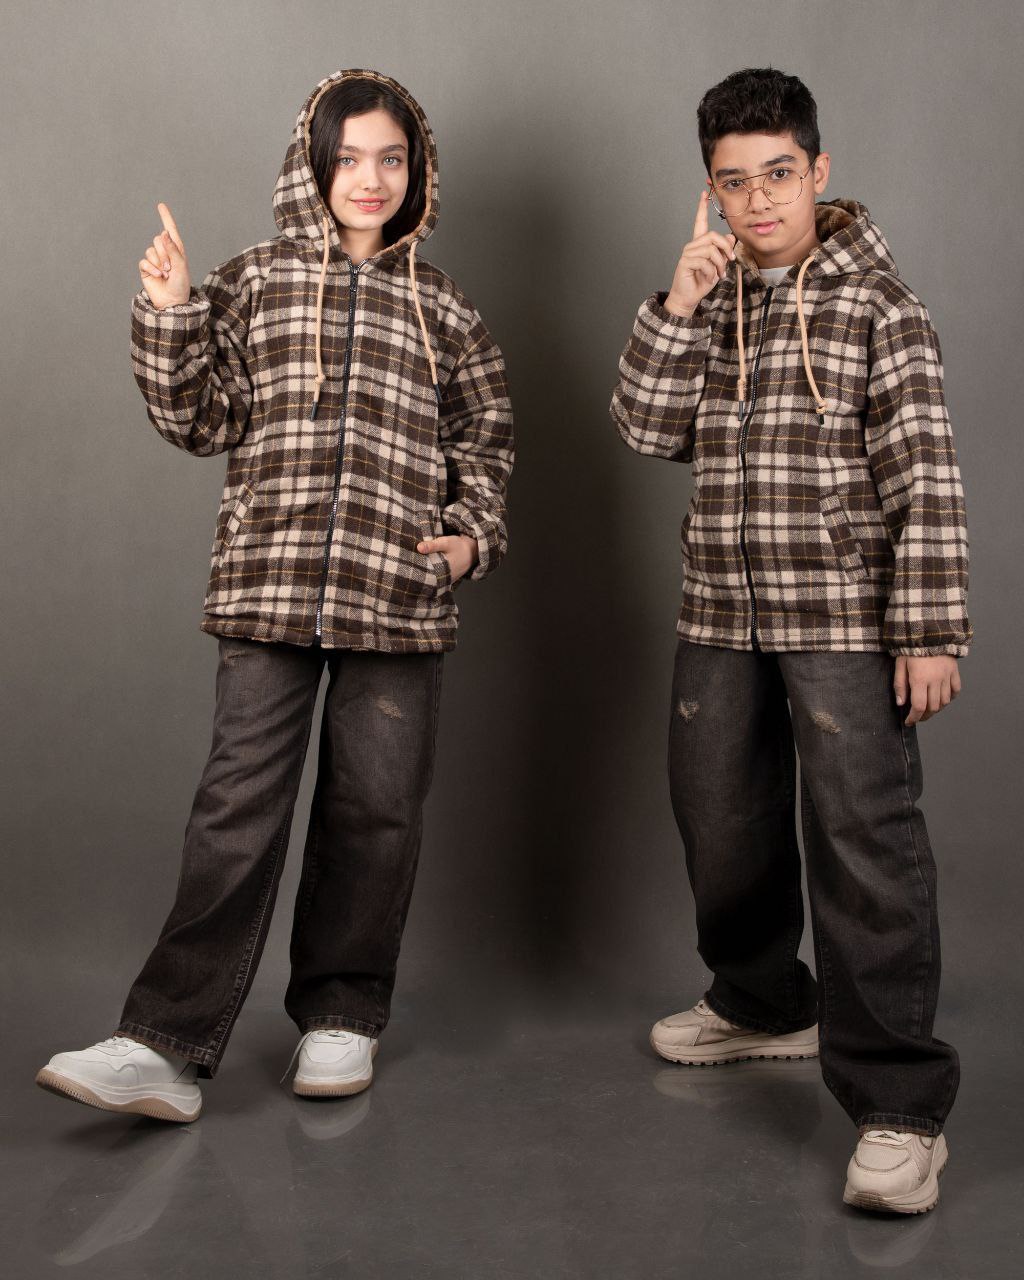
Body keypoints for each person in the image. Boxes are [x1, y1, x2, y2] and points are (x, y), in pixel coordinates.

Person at [36, 68, 513, 1123]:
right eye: (349, 157)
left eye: (392, 158)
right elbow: (197, 419)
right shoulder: (252, 281)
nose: (370, 178)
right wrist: (171, 313)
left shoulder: (445, 309)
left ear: (418, 170)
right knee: (235, 809)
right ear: (313, 163)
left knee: (375, 809)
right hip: (269, 584)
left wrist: (470, 538)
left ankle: (341, 1013)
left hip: (399, 596)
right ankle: (162, 1042)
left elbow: (486, 438)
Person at [610, 66, 970, 1214]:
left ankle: (899, 1105)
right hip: (720, 610)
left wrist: (928, 629)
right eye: (733, 183)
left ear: (818, 170)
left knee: (863, 847)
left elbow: (925, 476)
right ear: (709, 191)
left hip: (845, 620)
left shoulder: (880, 306)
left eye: (777, 175)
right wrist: (676, 305)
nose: (758, 200)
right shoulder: (711, 298)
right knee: (718, 820)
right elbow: (643, 428)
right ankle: (763, 1000)